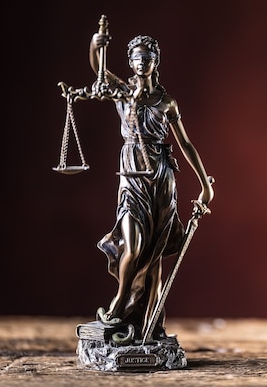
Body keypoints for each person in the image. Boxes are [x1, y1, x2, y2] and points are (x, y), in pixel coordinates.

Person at [88, 32, 214, 342]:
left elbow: (185, 143)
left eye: (147, 58)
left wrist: (205, 185)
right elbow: (98, 68)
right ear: (129, 62)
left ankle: (151, 324)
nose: (141, 62)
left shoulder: (165, 101)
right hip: (132, 175)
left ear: (155, 61)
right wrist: (96, 43)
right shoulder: (122, 94)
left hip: (161, 175)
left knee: (156, 253)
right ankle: (119, 303)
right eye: (136, 58)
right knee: (133, 244)